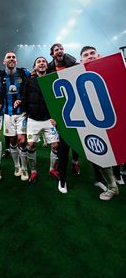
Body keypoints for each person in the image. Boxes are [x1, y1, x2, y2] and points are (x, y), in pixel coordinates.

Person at [80, 45, 120, 200]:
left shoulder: (114, 69)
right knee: (102, 153)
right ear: (81, 60)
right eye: (86, 55)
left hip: (118, 116)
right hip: (96, 121)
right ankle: (112, 187)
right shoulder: (77, 77)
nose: (89, 56)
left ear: (99, 55)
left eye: (92, 53)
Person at [21, 56, 59, 183]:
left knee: (55, 145)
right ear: (35, 67)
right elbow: (25, 97)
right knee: (30, 144)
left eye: (43, 61)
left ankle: (52, 168)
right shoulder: (29, 81)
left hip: (49, 119)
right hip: (33, 120)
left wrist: (56, 116)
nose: (41, 63)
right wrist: (23, 108)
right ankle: (33, 171)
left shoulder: (52, 79)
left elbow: (57, 99)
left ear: (47, 66)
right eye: (39, 62)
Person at [0, 51, 31, 181]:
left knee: (22, 140)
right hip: (7, 114)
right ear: (4, 62)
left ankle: (25, 168)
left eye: (13, 57)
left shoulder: (24, 72)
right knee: (13, 141)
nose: (11, 59)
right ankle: (17, 165)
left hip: (22, 113)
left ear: (17, 61)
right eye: (8, 57)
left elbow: (31, 86)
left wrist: (22, 99)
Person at [48, 43, 80, 194]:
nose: (60, 51)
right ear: (52, 54)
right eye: (56, 50)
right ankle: (62, 178)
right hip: (59, 110)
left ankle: (75, 162)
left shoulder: (73, 64)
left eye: (61, 49)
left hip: (77, 108)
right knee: (63, 144)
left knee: (78, 139)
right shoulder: (49, 69)